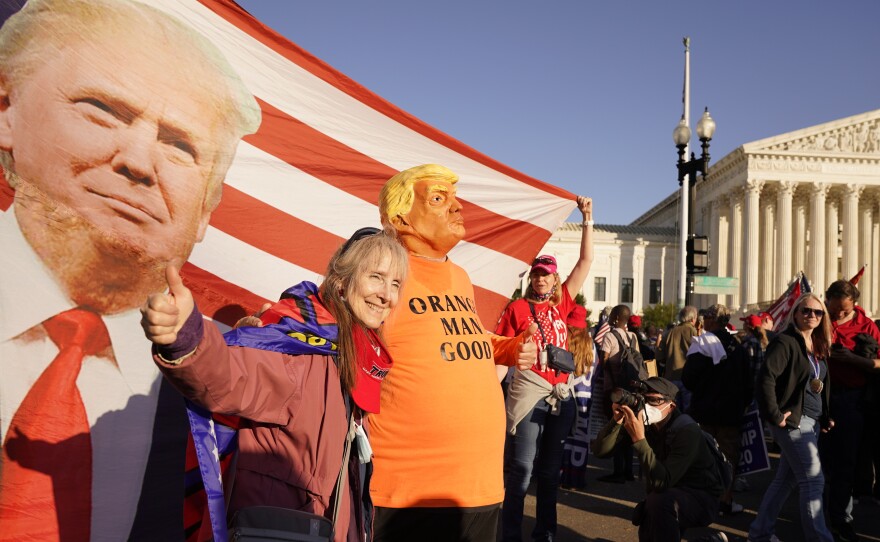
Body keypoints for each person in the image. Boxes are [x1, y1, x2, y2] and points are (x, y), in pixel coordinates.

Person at [0, 0, 261, 539]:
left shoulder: (215, 387)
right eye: (102, 109)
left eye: (180, 145)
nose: (138, 162)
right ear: (8, 112)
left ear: (208, 207)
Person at [140, 229, 406, 542]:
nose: (387, 295)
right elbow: (227, 377)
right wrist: (185, 336)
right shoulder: (299, 352)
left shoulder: (354, 358)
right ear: (341, 282)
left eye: (396, 283)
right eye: (376, 276)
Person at [368, 164, 538, 541]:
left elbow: (465, 336)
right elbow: (329, 323)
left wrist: (511, 348)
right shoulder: (380, 268)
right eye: (439, 199)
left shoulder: (458, 276)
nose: (458, 208)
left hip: (479, 484)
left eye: (455, 199)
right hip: (408, 492)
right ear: (401, 218)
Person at [494, 196, 593, 542]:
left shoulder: (563, 302)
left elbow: (585, 261)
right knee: (521, 470)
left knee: (550, 473)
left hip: (560, 396)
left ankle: (545, 533)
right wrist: (491, 396)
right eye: (537, 274)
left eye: (546, 275)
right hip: (529, 394)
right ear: (531, 278)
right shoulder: (517, 308)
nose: (541, 280)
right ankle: (510, 535)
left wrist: (587, 219)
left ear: (555, 280)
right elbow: (501, 356)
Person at [592, 377, 724, 542]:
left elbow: (662, 482)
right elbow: (600, 451)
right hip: (667, 494)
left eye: (653, 400)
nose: (646, 405)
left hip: (701, 498)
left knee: (658, 503)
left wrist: (639, 439)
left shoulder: (687, 431)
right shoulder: (644, 422)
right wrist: (616, 420)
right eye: (642, 399)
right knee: (652, 513)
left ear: (671, 406)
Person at [748, 292, 835, 542]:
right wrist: (775, 416)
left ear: (823, 317)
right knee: (813, 481)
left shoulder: (816, 345)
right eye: (806, 310)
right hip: (794, 422)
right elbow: (766, 379)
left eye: (818, 312)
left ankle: (759, 533)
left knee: (785, 481)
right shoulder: (785, 341)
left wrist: (826, 415)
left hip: (812, 422)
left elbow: (816, 385)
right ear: (795, 313)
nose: (812, 315)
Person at [820, 280, 880, 542]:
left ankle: (841, 519)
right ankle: (817, 519)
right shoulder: (819, 317)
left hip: (851, 401)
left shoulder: (868, 327)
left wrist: (853, 359)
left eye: (844, 311)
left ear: (854, 305)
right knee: (816, 464)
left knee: (846, 464)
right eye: (834, 311)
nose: (839, 315)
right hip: (819, 397)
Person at [682, 303, 752, 516]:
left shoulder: (702, 344)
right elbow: (749, 383)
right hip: (730, 415)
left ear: (711, 320)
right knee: (728, 459)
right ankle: (725, 501)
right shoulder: (738, 346)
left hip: (704, 411)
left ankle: (703, 500)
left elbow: (688, 379)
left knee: (703, 456)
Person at [599, 304, 646, 483]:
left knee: (615, 427)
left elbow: (603, 361)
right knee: (628, 428)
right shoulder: (633, 337)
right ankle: (628, 471)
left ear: (617, 317)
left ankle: (618, 472)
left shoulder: (609, 336)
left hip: (614, 389)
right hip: (632, 390)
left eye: (612, 315)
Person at [658, 306, 699, 410]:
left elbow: (659, 356)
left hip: (671, 378)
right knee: (688, 411)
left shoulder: (669, 333)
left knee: (673, 412)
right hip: (688, 379)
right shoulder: (694, 332)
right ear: (693, 318)